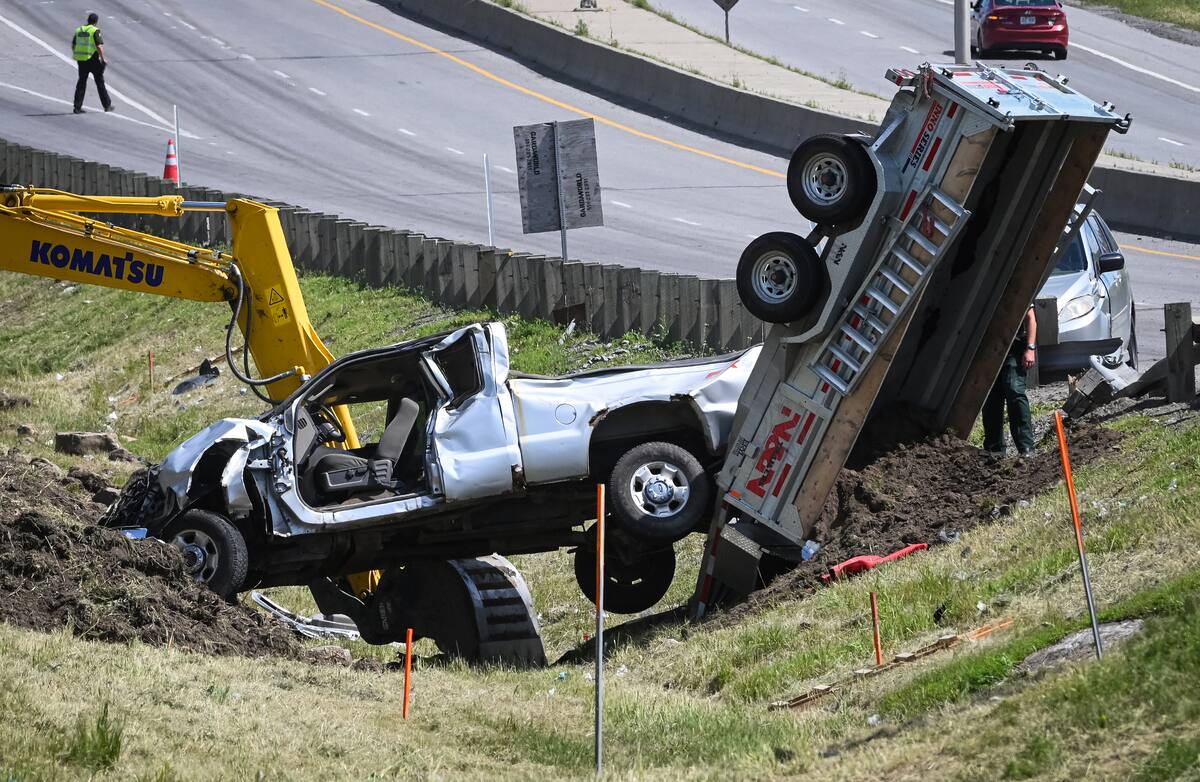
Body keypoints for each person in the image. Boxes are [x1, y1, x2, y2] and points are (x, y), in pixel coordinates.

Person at [983, 304, 1037, 457]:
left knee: (1015, 391)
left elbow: (1031, 317)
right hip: (987, 352)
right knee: (991, 399)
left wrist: (1030, 348)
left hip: (1013, 349)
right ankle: (994, 449)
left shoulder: (1016, 283)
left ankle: (1026, 448)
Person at [71, 13, 112, 114]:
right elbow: (99, 45)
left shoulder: (79, 30)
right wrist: (103, 58)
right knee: (99, 82)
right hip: (93, 60)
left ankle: (77, 107)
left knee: (81, 83)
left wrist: (78, 54)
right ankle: (107, 105)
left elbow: (73, 45)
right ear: (96, 21)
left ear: (88, 20)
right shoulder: (94, 30)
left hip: (81, 60)